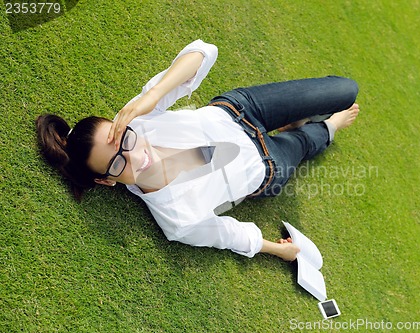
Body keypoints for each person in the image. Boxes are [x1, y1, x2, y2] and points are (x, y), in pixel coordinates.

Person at [36, 40, 359, 261]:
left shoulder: (140, 120)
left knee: (346, 91)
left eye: (125, 140)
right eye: (118, 163)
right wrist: (279, 250)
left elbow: (204, 52)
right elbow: (228, 235)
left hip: (242, 111)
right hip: (267, 166)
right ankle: (318, 129)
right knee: (314, 136)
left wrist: (152, 97)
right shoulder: (177, 218)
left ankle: (292, 123)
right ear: (106, 181)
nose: (137, 155)